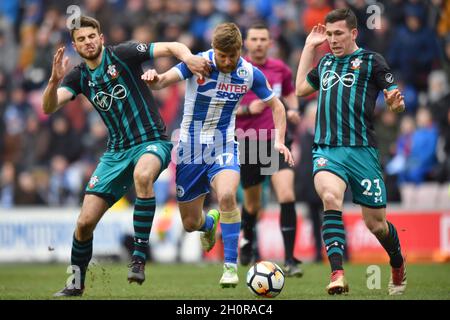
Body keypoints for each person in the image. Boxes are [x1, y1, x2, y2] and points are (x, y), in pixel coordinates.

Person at [42, 16, 210, 297]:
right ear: (75, 45)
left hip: (151, 141)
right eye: (81, 39)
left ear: (101, 37)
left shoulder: (123, 54)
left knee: (143, 175)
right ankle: (75, 283)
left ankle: (139, 256)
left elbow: (172, 45)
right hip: (115, 152)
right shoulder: (79, 76)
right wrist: (53, 81)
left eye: (91, 36)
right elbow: (49, 107)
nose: (88, 42)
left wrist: (189, 59)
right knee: (84, 224)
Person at [141, 22, 294, 288]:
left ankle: (230, 267)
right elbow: (163, 81)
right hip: (190, 149)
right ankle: (208, 224)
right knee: (190, 223)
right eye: (221, 55)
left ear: (239, 50)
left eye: (231, 56)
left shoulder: (250, 73)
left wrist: (279, 141)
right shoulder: (197, 63)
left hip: (224, 144)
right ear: (213, 49)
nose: (226, 61)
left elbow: (277, 106)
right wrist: (155, 79)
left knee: (226, 196)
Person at [295, 8, 407, 295]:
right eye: (329, 34)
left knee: (377, 225)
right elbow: (298, 90)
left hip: (362, 152)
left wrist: (395, 104)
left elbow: (395, 98)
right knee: (330, 197)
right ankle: (337, 273)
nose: (332, 40)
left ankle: (397, 261)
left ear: (354, 33)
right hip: (328, 149)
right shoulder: (325, 64)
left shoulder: (372, 61)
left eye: (338, 34)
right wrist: (309, 48)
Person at [234, 23, 303, 276]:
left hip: (277, 141)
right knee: (252, 205)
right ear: (246, 43)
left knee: (286, 194)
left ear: (270, 42)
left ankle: (290, 259)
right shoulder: (236, 69)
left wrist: (293, 110)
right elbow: (223, 108)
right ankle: (247, 241)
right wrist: (245, 110)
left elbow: (290, 93)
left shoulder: (280, 69)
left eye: (264, 38)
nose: (260, 43)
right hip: (248, 142)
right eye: (255, 39)